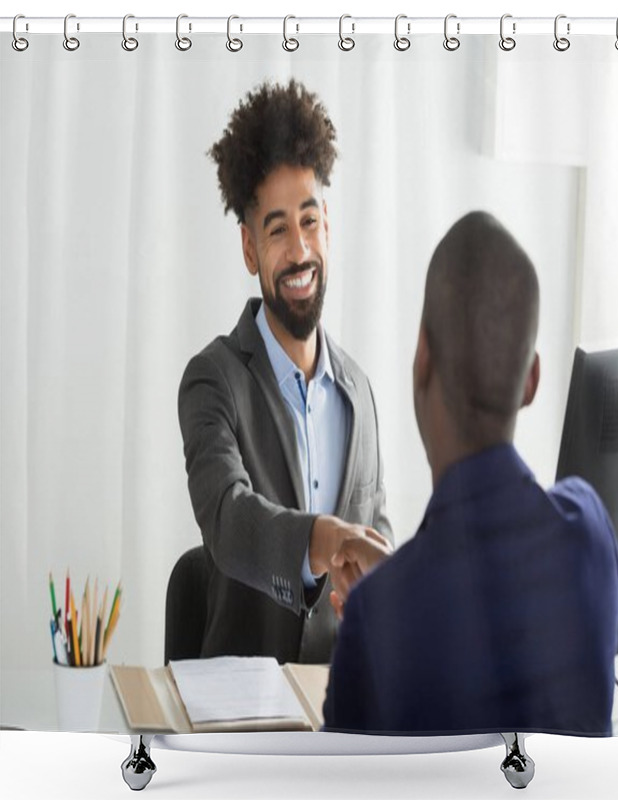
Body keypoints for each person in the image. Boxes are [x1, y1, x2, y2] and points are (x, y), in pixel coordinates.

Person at [323, 211, 618, 735]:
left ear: (422, 360)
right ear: (531, 381)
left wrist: (393, 597)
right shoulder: (591, 532)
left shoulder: (378, 622)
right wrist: (396, 582)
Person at [178, 80, 392, 663]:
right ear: (249, 249)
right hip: (242, 716)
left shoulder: (359, 392)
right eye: (277, 230)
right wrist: (327, 539)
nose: (299, 250)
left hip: (342, 709)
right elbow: (228, 517)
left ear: (328, 224)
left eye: (309, 220)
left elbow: (375, 526)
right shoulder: (213, 379)